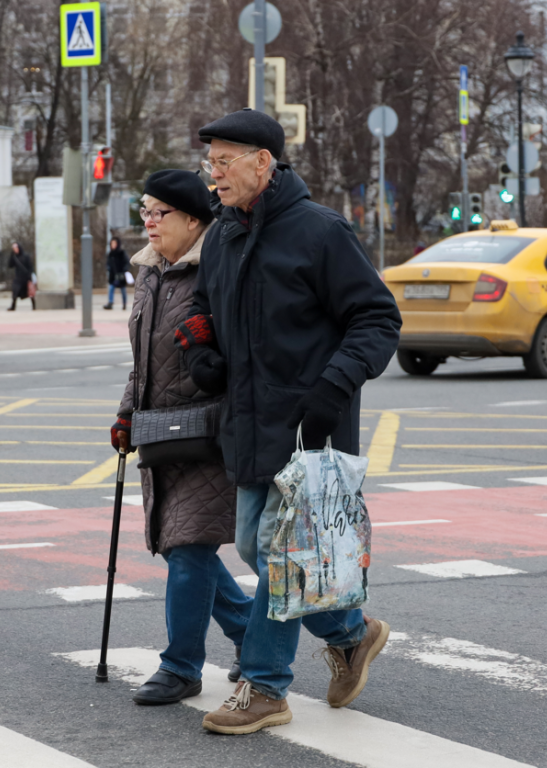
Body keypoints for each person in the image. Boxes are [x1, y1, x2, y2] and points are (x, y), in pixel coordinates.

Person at [178, 109, 402, 734]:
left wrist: (334, 385)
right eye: (210, 163)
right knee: (255, 543)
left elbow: (378, 319)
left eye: (224, 161)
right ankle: (351, 634)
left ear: (263, 163)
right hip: (249, 421)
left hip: (308, 425)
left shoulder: (319, 231)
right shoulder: (224, 234)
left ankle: (265, 686)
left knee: (279, 555)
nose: (213, 174)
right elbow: (201, 305)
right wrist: (199, 347)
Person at [111, 169, 254, 706]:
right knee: (180, 547)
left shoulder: (217, 271)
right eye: (143, 210)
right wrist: (127, 413)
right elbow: (142, 365)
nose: (148, 221)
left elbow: (238, 355)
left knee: (188, 546)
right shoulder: (151, 274)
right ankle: (247, 631)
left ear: (193, 221)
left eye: (159, 212)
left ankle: (181, 667)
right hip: (162, 434)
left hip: (209, 432)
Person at [103, 237, 131, 310]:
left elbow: (127, 262)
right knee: (111, 288)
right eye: (112, 243)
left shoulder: (122, 253)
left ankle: (124, 304)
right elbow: (108, 263)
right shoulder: (110, 254)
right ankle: (110, 303)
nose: (113, 245)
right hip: (113, 275)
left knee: (123, 290)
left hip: (121, 274)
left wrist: (125, 270)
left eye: (114, 243)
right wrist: (108, 268)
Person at [7, 242, 35, 311]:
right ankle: (13, 306)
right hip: (18, 278)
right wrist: (11, 255)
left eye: (16, 248)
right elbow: (10, 265)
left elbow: (30, 267)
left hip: (26, 277)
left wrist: (29, 277)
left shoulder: (26, 256)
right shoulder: (14, 257)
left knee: (30, 293)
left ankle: (34, 306)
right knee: (15, 292)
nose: (15, 249)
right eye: (14, 248)